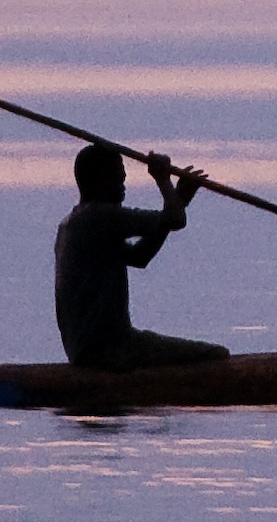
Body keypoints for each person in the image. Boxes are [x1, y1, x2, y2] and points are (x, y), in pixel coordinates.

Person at [52, 140, 231, 371]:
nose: (123, 187)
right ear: (97, 182)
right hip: (111, 347)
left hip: (84, 349)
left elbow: (140, 256)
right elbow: (176, 220)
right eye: (117, 179)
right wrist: (162, 179)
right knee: (216, 355)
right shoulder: (100, 217)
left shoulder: (73, 224)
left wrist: (177, 200)